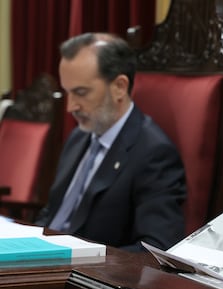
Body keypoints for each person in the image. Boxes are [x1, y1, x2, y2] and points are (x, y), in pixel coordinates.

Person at [35, 32, 187, 252]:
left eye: (81, 93)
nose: (71, 107)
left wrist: (82, 260)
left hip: (84, 277)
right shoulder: (78, 137)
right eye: (67, 93)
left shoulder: (154, 154)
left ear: (119, 87)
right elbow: (53, 214)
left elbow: (156, 248)